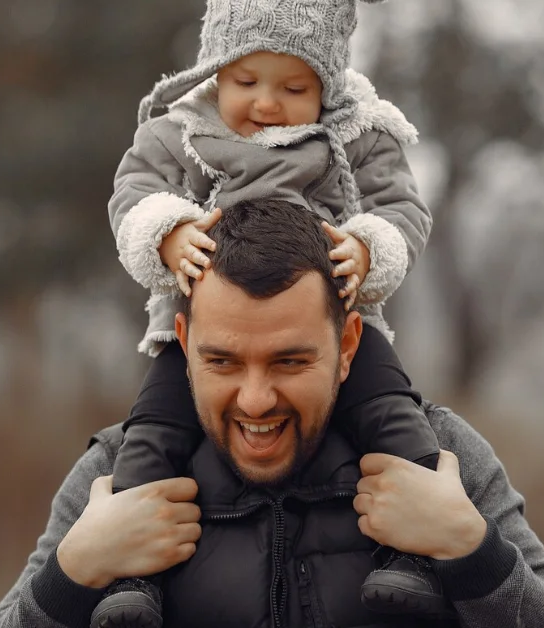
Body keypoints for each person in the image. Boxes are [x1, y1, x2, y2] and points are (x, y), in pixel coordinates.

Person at [0, 199, 544, 628]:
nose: (255, 399)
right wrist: (74, 575)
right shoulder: (111, 478)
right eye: (222, 361)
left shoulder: (443, 457)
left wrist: (469, 547)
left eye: (290, 362)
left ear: (348, 345)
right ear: (183, 344)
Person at [105, 0, 442, 624]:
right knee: (151, 441)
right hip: (200, 328)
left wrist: (369, 246)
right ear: (214, 73)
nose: (266, 104)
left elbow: (404, 209)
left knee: (396, 422)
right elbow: (133, 195)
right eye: (245, 82)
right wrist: (166, 233)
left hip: (333, 313)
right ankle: (132, 581)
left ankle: (413, 557)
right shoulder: (180, 131)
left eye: (294, 87)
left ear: (328, 86)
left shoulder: (356, 135)